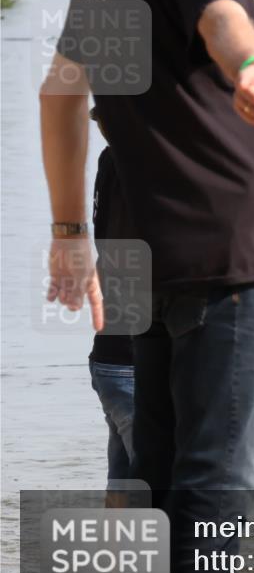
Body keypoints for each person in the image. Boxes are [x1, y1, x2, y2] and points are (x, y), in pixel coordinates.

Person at [41, 0, 254, 573]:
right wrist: (250, 60)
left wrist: (69, 228)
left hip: (152, 250)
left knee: (153, 473)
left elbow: (61, 95)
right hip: (227, 248)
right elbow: (219, 18)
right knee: (212, 477)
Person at [88, 106, 135, 488]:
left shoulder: (109, 164)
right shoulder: (153, 172)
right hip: (140, 365)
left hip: (108, 358)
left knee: (125, 484)